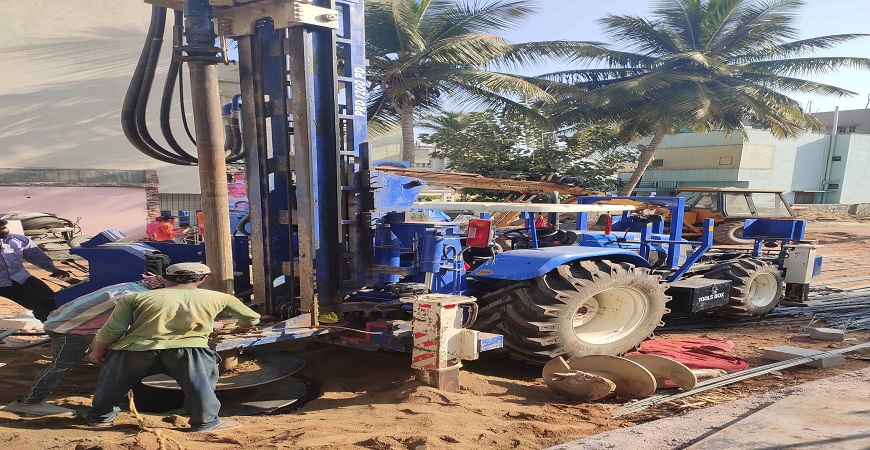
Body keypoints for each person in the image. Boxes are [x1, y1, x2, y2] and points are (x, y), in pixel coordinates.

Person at [85, 263, 260, 432]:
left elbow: (113, 329)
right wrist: (243, 326)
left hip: (135, 350)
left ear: (164, 278)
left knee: (113, 384)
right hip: (189, 350)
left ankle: (100, 418)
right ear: (203, 278)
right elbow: (251, 318)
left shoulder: (135, 298)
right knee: (199, 386)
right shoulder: (220, 297)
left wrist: (98, 350)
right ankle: (206, 422)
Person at [2, 276, 165, 416]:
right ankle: (29, 402)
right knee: (62, 365)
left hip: (67, 322)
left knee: (86, 360)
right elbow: (123, 326)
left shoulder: (134, 285)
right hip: (69, 329)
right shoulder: (132, 296)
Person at [0, 219, 71, 322]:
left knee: (49, 301)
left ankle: (52, 327)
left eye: (4, 227)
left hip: (19, 279)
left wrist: (53, 269)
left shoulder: (18, 240)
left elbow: (36, 257)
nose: (4, 229)